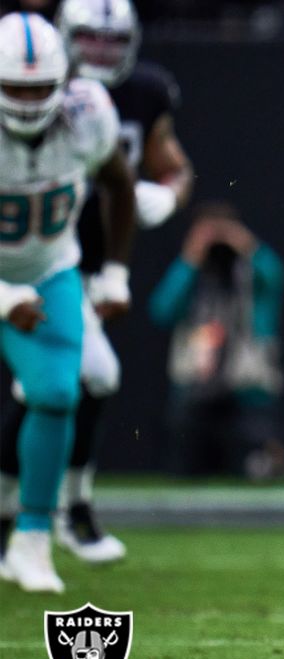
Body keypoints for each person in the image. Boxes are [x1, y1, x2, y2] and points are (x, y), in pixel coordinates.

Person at [0, 0, 194, 567]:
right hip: (22, 261)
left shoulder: (109, 101)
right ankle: (49, 513)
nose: (102, 53)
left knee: (72, 383)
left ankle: (54, 513)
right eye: (89, 38)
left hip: (66, 261)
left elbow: (165, 169)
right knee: (63, 385)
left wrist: (166, 197)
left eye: (114, 41)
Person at [0, 12, 136, 593]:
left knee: (59, 391)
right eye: (16, 87)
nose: (30, 100)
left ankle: (31, 540)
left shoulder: (88, 115)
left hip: (51, 269)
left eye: (40, 87)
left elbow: (120, 183)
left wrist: (113, 273)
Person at [149, 201, 284, 480]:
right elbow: (161, 309)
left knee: (255, 473)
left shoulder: (252, 275)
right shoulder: (192, 275)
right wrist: (190, 258)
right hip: (194, 387)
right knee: (186, 475)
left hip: (246, 388)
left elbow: (275, 276)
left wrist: (245, 244)